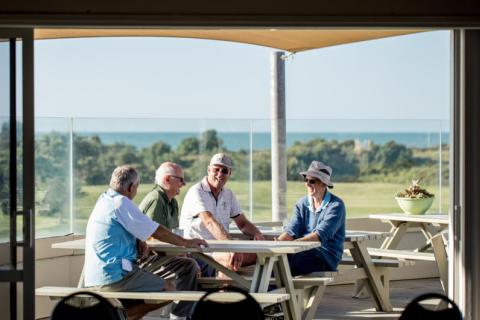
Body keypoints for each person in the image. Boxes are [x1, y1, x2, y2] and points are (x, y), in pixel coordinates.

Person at [84, 165, 207, 320]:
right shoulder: (121, 202)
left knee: (139, 301)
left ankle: (126, 315)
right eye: (136, 187)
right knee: (170, 290)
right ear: (130, 187)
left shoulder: (104, 200)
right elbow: (156, 231)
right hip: (115, 275)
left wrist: (138, 239)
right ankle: (123, 316)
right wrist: (186, 243)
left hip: (98, 274)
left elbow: (121, 229)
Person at [180, 153, 264, 275]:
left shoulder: (228, 194)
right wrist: (232, 246)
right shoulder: (196, 191)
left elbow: (243, 223)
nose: (220, 174)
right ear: (209, 170)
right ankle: (224, 291)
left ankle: (257, 289)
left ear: (230, 174)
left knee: (263, 255)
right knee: (233, 258)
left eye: (224, 171)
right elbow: (209, 222)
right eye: (216, 170)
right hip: (198, 253)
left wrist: (257, 234)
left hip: (220, 249)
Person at [277, 160, 346, 275]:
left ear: (324, 184)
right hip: (302, 252)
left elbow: (320, 235)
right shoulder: (301, 203)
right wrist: (278, 244)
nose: (308, 184)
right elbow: (291, 230)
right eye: (306, 180)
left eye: (312, 181)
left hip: (325, 258)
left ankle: (270, 291)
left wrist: (292, 246)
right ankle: (270, 290)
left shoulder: (336, 206)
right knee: (276, 262)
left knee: (284, 264)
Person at [139, 162, 185, 231]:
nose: (184, 183)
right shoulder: (156, 199)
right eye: (181, 179)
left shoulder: (173, 201)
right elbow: (155, 235)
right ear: (167, 179)